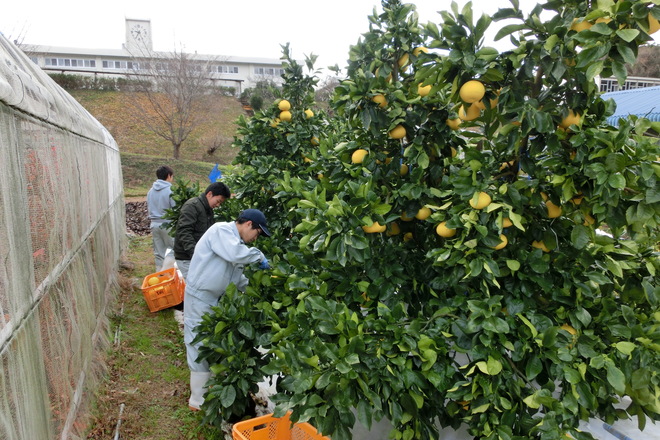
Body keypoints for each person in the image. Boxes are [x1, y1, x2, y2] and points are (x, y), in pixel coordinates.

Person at [184, 209, 271, 411]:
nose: (255, 239)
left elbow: (237, 280)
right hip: (199, 297)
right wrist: (258, 256)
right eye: (257, 233)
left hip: (215, 299)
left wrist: (258, 291)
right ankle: (197, 400)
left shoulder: (236, 245)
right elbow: (235, 254)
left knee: (211, 341)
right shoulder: (221, 231)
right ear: (248, 224)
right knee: (196, 342)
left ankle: (209, 388)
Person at [173, 182, 231, 280]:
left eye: (220, 203)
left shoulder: (207, 209)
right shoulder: (192, 206)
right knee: (195, 287)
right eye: (218, 201)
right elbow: (184, 231)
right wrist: (196, 255)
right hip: (187, 257)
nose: (218, 205)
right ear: (209, 194)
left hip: (198, 256)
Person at [146, 165, 175, 272]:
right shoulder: (170, 190)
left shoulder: (150, 191)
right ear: (169, 176)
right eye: (172, 176)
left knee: (159, 253)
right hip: (168, 224)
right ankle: (166, 271)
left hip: (154, 224)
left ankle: (159, 276)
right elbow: (175, 208)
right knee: (175, 249)